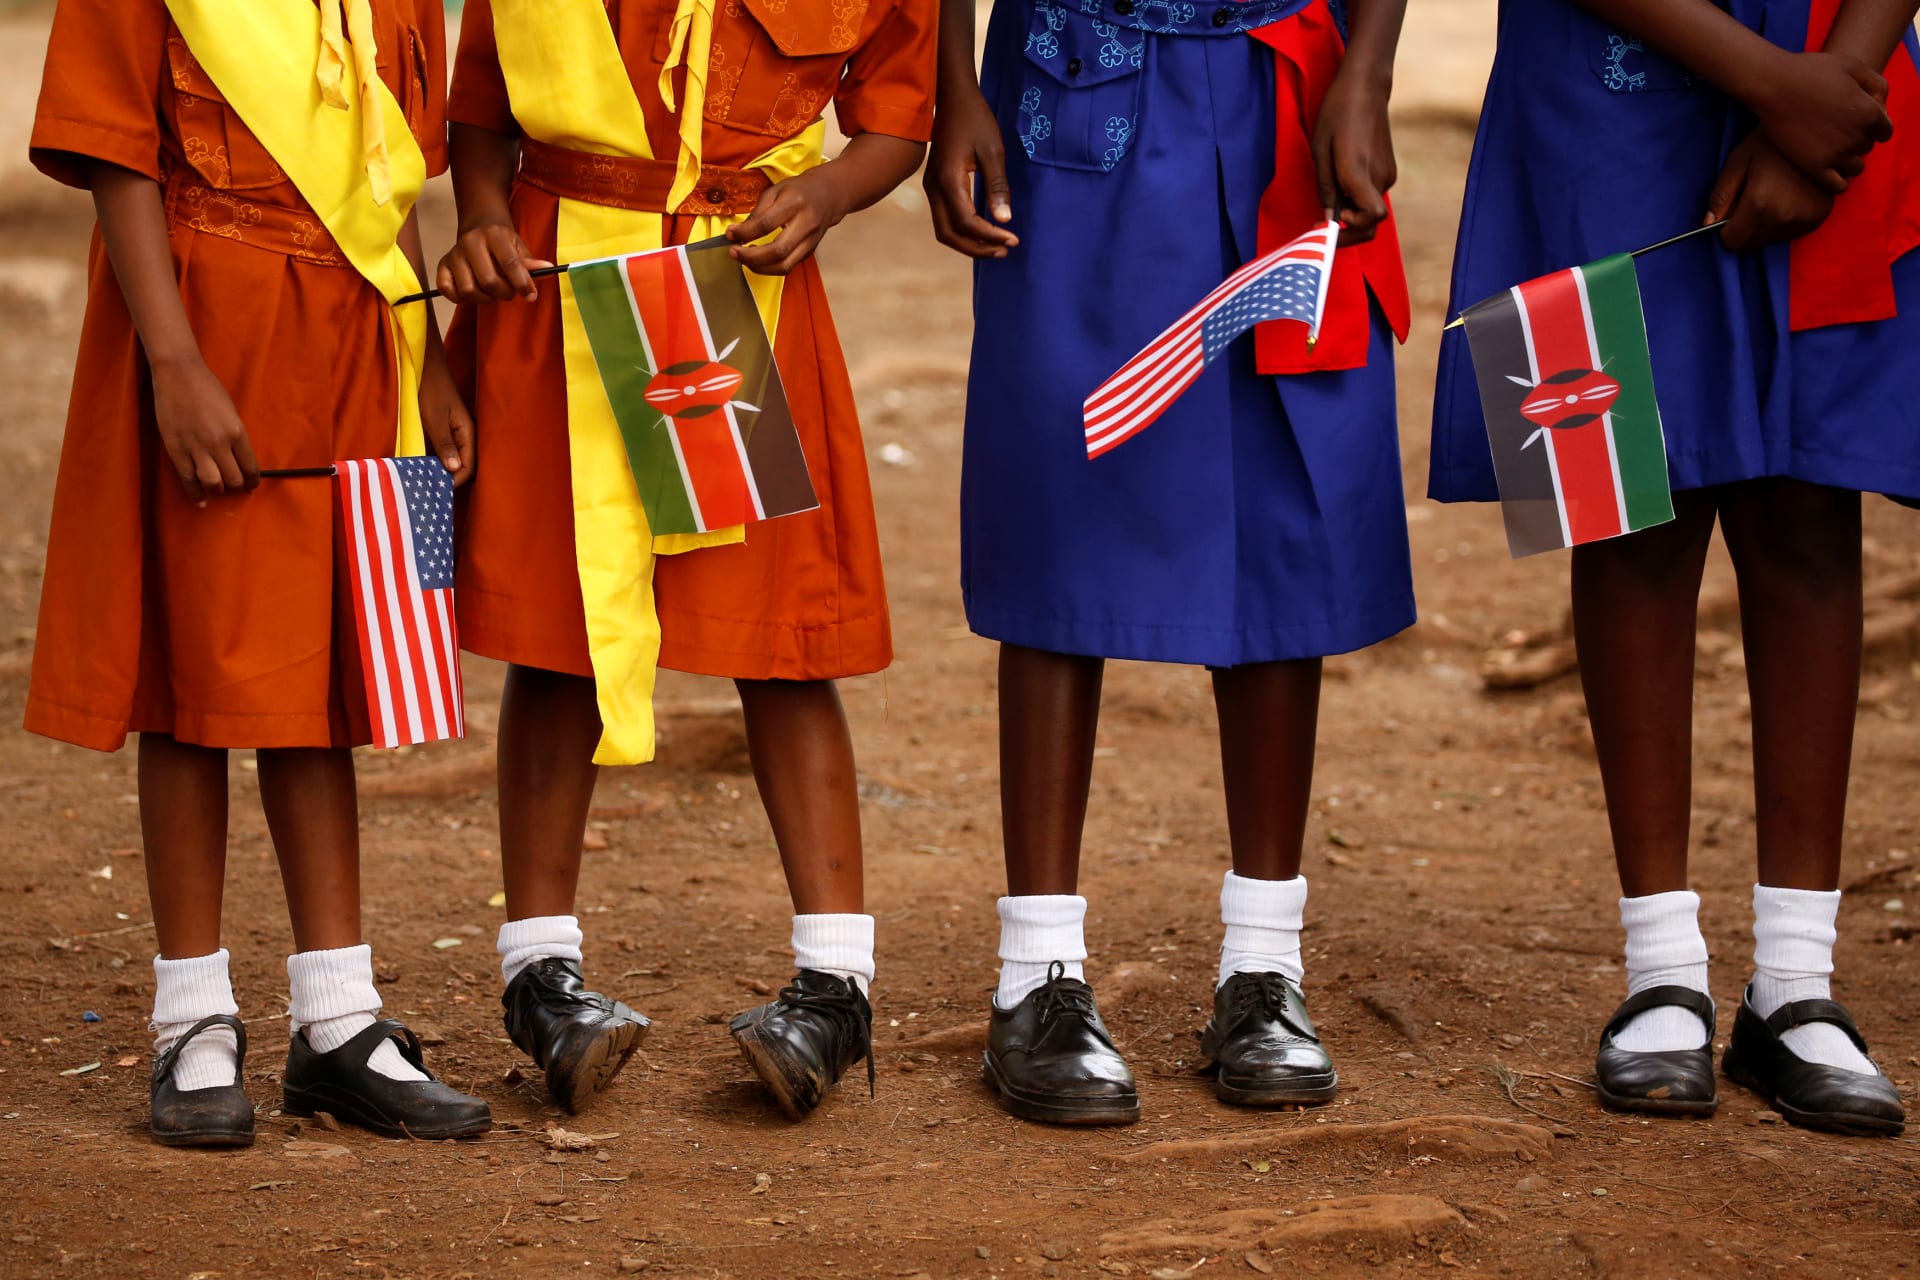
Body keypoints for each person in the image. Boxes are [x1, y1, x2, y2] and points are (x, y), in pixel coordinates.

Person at [436, 0, 934, 1120]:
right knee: (563, 636)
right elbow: (481, 110)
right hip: (558, 286)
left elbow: (899, 117)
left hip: (729, 294)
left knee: (784, 639)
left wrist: (832, 192)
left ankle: (834, 983)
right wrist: (479, 214)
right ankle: (540, 974)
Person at [1430, 0, 1918, 1136]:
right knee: (1627, 503)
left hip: (1829, 52)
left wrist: (1830, 90)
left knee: (1807, 503)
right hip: (1604, 91)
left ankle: (1796, 980)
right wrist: (1771, 84)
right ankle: (1661, 966)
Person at [927, 0, 1415, 1124]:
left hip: (1285, 81)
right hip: (1073, 82)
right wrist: (954, 82)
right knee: (1064, 498)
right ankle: (1036, 974)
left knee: (1277, 513)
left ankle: (1264, 967)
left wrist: (1371, 69)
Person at [25, 0, 490, 1146]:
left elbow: (381, 184)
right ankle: (194, 1015)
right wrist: (173, 362)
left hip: (356, 335)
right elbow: (118, 156)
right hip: (206, 325)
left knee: (326, 674)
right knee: (191, 679)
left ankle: (337, 1018)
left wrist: (425, 349)